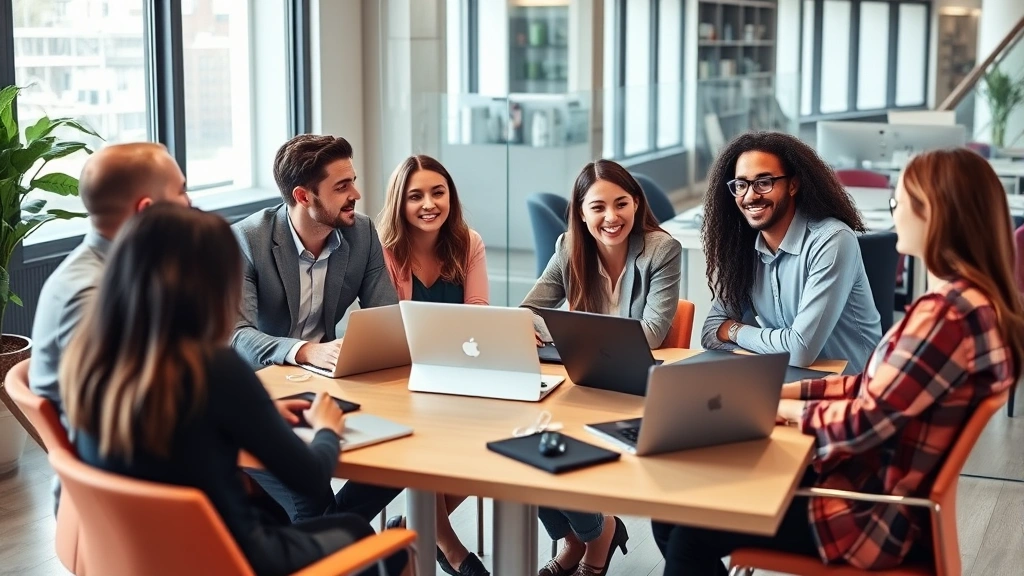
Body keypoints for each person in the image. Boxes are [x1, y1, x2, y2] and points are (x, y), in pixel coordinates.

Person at [653, 148, 1024, 574]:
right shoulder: (967, 306)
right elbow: (871, 389)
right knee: (675, 511)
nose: (894, 213)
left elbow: (867, 418)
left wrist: (781, 411)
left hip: (869, 508)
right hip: (870, 482)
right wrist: (784, 393)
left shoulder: (945, 316)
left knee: (686, 531)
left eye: (898, 202)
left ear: (937, 212)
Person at [59, 205, 409, 576]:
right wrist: (326, 428)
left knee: (279, 511)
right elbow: (309, 476)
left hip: (143, 559)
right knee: (361, 534)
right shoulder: (214, 370)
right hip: (232, 560)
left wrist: (257, 416)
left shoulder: (91, 364)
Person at [521, 159, 681, 576]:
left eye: (621, 204)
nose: (611, 217)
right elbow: (528, 311)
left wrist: (567, 332)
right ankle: (585, 536)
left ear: (635, 203)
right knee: (528, 439)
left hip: (635, 385)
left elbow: (652, 332)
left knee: (554, 439)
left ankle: (594, 542)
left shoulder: (661, 250)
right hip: (583, 379)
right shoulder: (567, 246)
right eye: (598, 207)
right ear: (580, 211)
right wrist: (554, 329)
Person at [230, 134, 400, 523]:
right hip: (258, 398)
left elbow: (387, 316)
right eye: (342, 187)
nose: (356, 194)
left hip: (326, 387)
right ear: (303, 196)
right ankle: (353, 545)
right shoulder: (247, 239)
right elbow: (237, 334)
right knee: (312, 500)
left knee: (407, 456)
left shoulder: (361, 233)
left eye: (352, 181)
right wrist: (306, 351)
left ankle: (340, 536)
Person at [27, 143, 192, 516]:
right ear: (147, 211)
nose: (189, 203)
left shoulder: (123, 274)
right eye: (181, 191)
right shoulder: (92, 297)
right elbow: (120, 421)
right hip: (122, 505)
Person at [376, 155, 489, 576]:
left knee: (490, 445)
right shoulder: (384, 250)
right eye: (415, 195)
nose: (429, 204)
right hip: (404, 378)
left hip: (461, 374)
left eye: (437, 192)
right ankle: (451, 548)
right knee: (424, 442)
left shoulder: (467, 242)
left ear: (450, 197)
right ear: (398, 203)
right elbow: (388, 326)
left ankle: (414, 527)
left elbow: (478, 312)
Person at [700, 132, 881, 372]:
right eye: (741, 185)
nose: (750, 196)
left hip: (850, 390)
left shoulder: (831, 241)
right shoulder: (743, 248)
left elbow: (799, 349)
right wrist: (774, 347)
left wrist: (734, 330)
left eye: (764, 182)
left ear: (793, 185)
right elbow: (711, 330)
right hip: (786, 382)